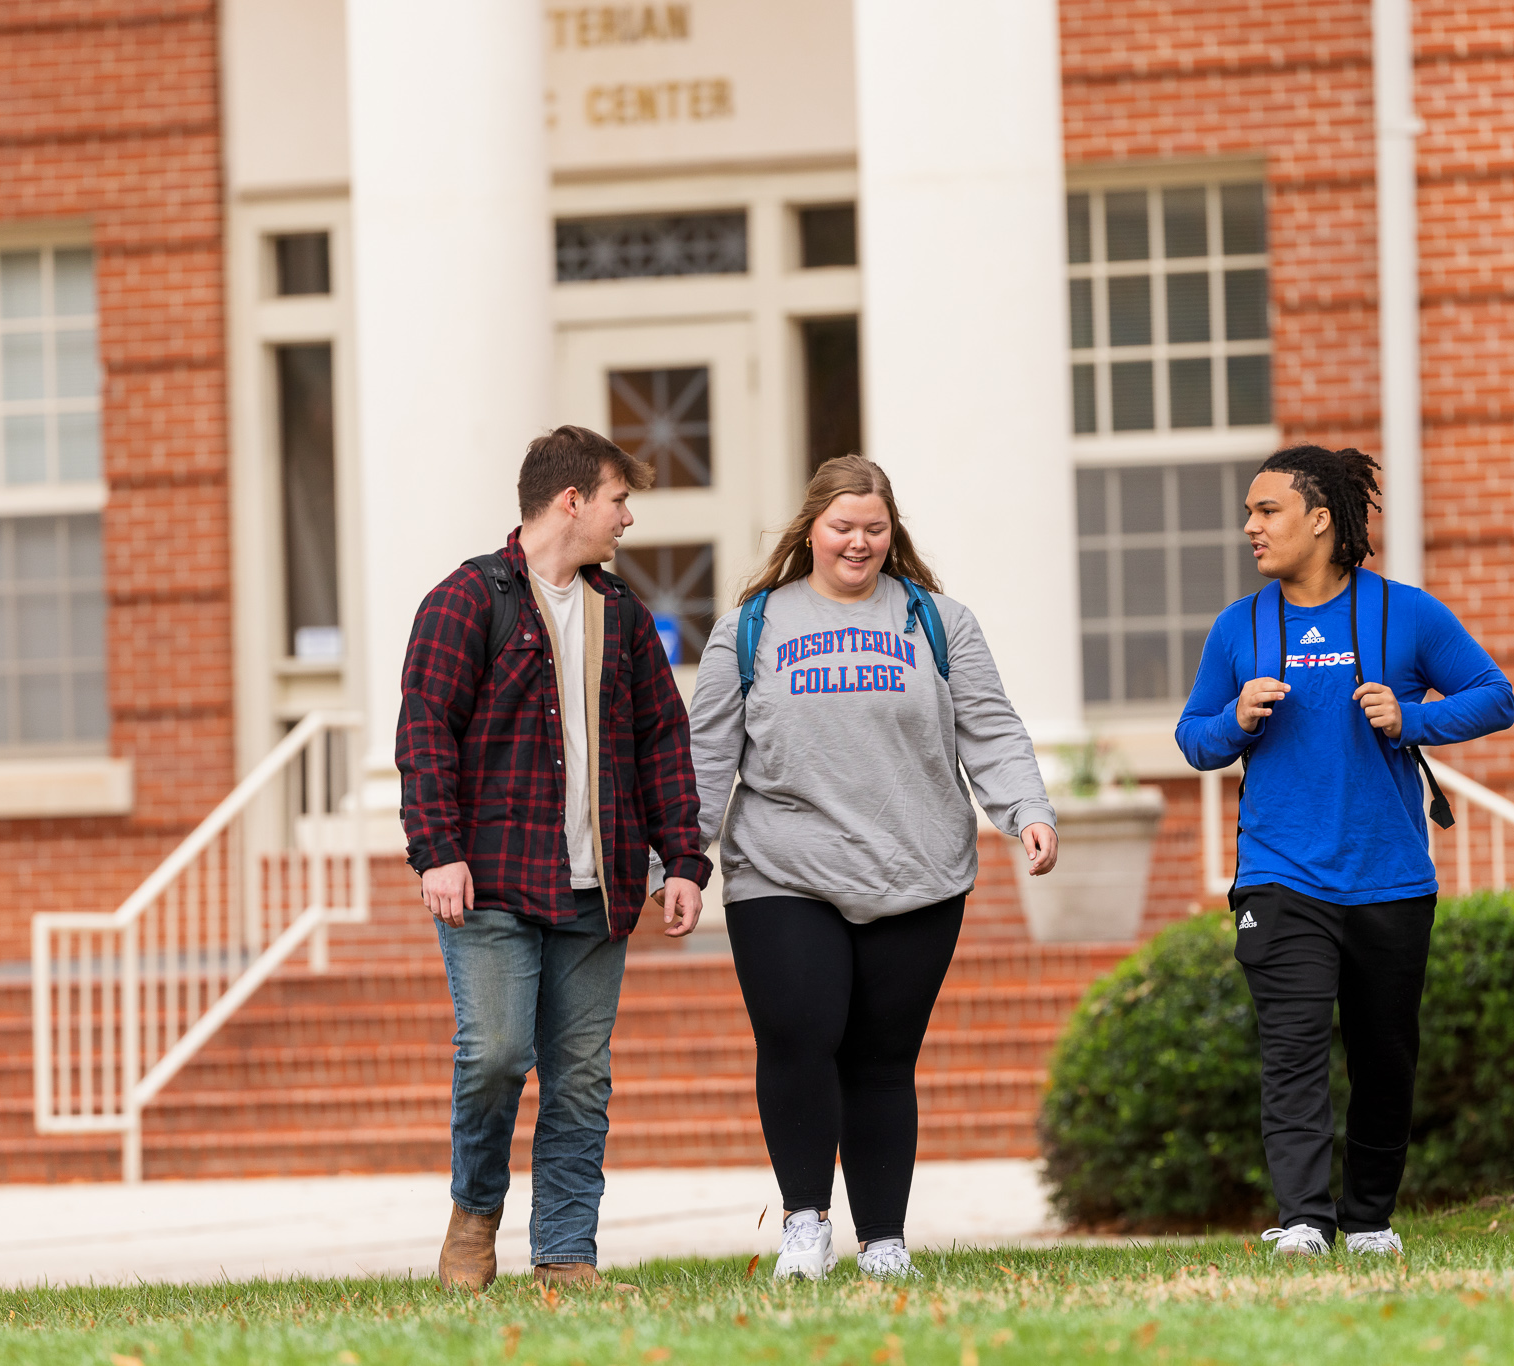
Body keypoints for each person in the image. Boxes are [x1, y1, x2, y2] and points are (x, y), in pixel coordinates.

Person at [688, 455, 1059, 1281]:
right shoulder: (752, 625)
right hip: (785, 869)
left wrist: (1026, 812)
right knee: (799, 1038)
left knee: (884, 1058)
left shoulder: (938, 621)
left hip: (916, 866)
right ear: (811, 530)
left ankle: (884, 1239)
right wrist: (683, 861)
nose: (858, 543)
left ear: (893, 534)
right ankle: (806, 1225)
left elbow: (991, 730)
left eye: (875, 528)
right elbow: (708, 755)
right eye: (843, 527)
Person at [1176, 446, 1514, 1258]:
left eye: (1268, 512)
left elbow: (1494, 695)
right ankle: (1302, 1221)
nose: (1250, 527)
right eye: (1250, 513)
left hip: (1389, 877)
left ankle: (1367, 1222)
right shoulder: (1239, 627)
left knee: (1384, 1058)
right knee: (1292, 1052)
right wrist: (1236, 721)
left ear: (1321, 519)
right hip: (1278, 875)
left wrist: (1414, 720)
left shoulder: (1407, 615)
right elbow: (1194, 739)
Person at [397, 425, 710, 1292]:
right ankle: (475, 1213)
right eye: (619, 499)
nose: (629, 518)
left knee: (578, 1079)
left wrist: (682, 857)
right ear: (572, 500)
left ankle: (566, 1253)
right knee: (495, 1055)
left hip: (597, 887)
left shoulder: (622, 615)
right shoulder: (467, 600)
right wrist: (438, 853)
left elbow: (662, 743)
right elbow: (425, 736)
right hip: (491, 882)